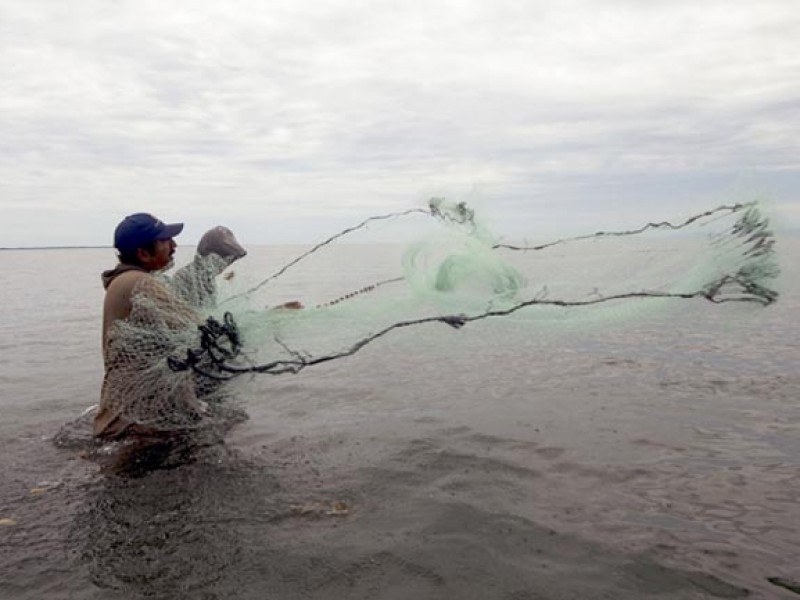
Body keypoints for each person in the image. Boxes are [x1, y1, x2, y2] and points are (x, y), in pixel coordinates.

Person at [95, 213, 202, 439]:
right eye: (165, 241)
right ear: (143, 253)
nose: (174, 245)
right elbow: (199, 327)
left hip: (126, 416)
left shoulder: (125, 280)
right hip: (138, 426)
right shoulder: (141, 283)